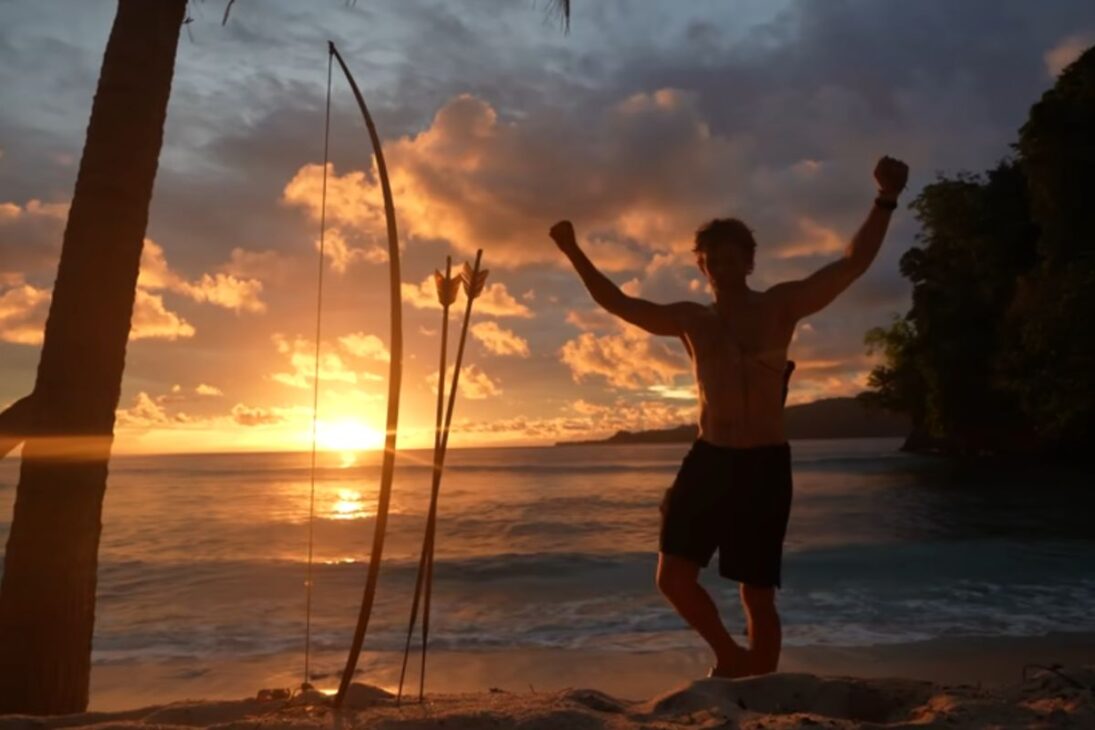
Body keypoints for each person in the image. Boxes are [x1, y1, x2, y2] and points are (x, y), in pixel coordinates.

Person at [549, 155, 909, 678]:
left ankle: (761, 680)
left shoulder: (782, 307)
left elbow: (850, 265)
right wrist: (572, 250)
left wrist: (885, 200)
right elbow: (618, 303)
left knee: (757, 594)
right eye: (712, 260)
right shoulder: (690, 320)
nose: (722, 267)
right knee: (673, 578)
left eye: (732, 258)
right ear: (702, 266)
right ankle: (728, 657)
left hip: (764, 465)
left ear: (749, 262)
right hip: (709, 459)